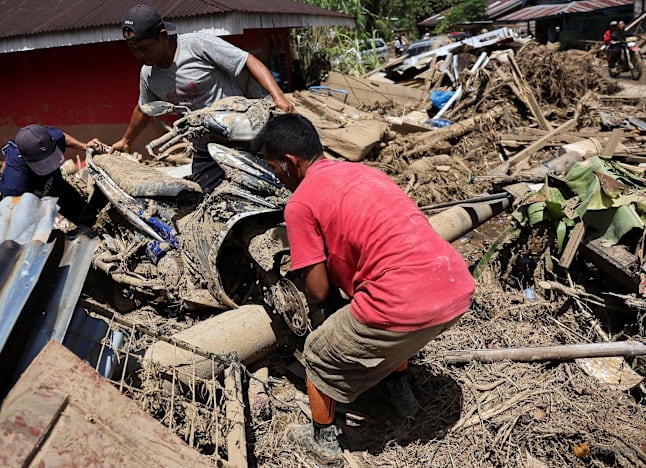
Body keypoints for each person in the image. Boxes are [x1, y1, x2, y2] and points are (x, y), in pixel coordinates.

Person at [254, 114, 475, 465]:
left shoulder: (300, 203)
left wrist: (310, 269)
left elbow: (316, 290)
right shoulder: (366, 172)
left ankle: (323, 441)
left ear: (291, 162)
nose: (277, 177)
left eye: (275, 168)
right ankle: (401, 394)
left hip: (402, 304)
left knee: (317, 352)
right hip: (455, 287)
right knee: (387, 318)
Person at [112, 4, 294, 193]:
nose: (139, 55)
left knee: (273, 186)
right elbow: (144, 109)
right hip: (205, 145)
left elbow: (247, 60)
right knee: (211, 198)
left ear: (163, 37)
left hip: (242, 134)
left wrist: (278, 97)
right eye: (133, 50)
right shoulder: (148, 75)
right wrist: (126, 140)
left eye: (144, 48)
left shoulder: (197, 45)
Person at [0, 124, 100, 226]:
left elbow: (62, 137)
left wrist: (84, 146)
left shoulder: (47, 139)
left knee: (87, 217)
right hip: (30, 199)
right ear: (22, 157)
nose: (49, 165)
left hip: (56, 185)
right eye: (42, 162)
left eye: (50, 158)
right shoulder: (14, 184)